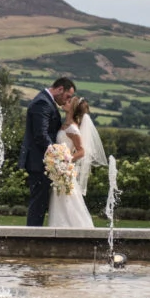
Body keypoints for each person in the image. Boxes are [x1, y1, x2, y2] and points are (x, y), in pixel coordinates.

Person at [18, 77, 75, 226]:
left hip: (43, 161)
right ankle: (32, 237)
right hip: (39, 161)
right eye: (68, 96)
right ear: (60, 89)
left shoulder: (46, 101)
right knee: (38, 203)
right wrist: (57, 155)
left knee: (41, 203)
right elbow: (41, 135)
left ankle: (35, 235)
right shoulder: (43, 103)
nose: (67, 100)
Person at [47, 96, 107, 228]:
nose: (65, 102)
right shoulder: (65, 124)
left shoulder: (73, 129)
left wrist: (66, 160)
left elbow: (81, 151)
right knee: (60, 202)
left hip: (64, 170)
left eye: (69, 102)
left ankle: (77, 228)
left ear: (73, 109)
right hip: (60, 171)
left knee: (69, 202)